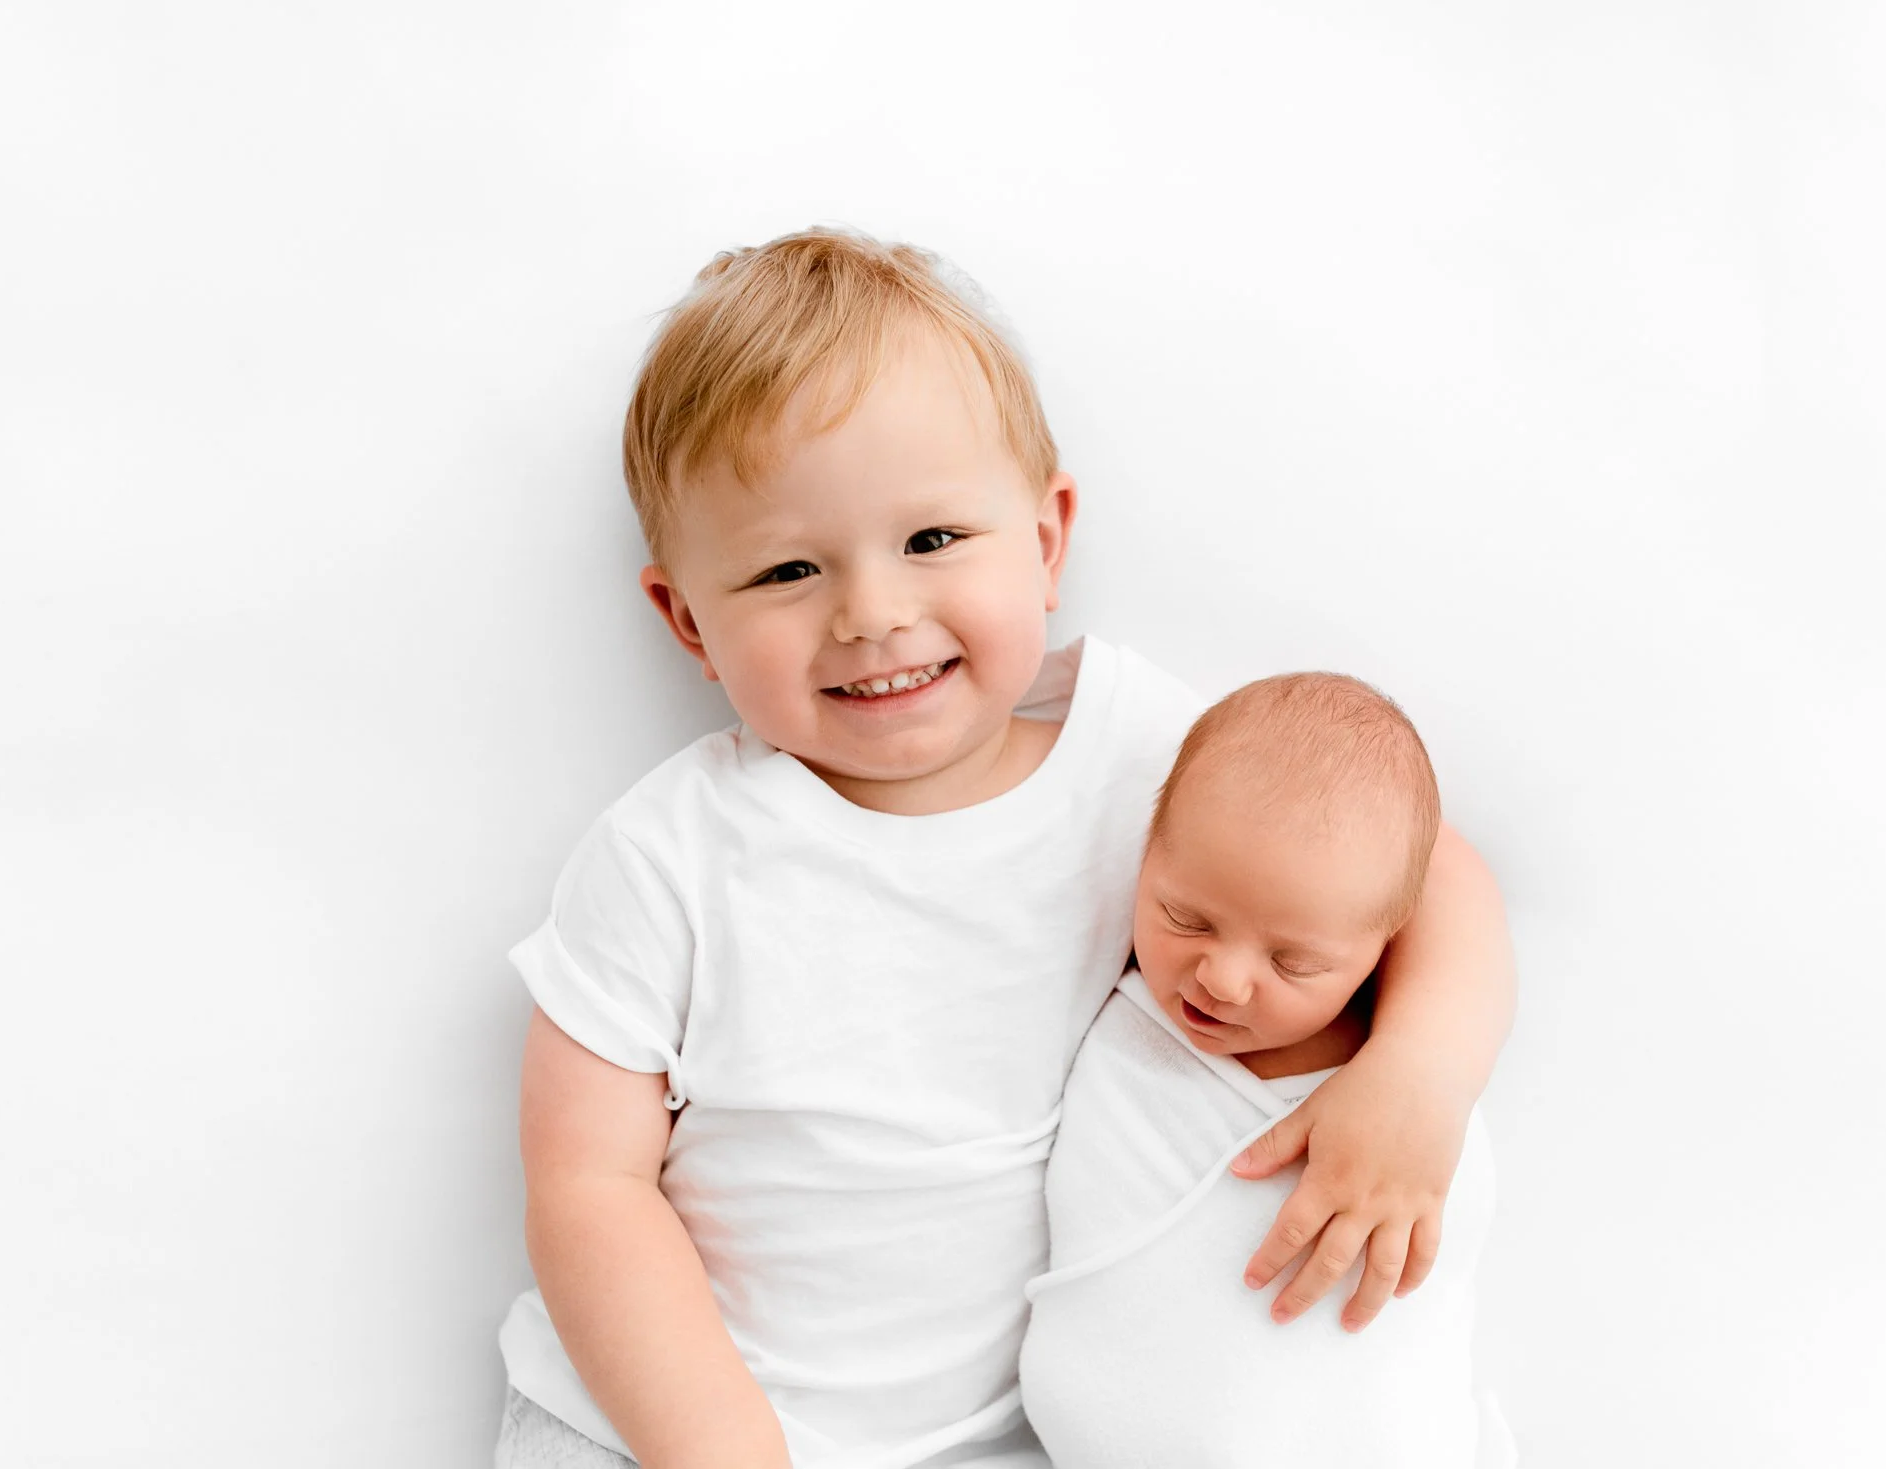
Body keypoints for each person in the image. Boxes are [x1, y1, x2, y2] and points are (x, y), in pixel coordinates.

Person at [494, 228, 1516, 1468]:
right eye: (786, 568)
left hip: (1007, 1436)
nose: (871, 612)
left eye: (930, 541)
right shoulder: (672, 850)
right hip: (659, 1428)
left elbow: (1423, 866)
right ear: (687, 619)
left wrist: (1419, 1070)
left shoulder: (1141, 758)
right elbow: (588, 1185)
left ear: (1044, 541)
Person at [1020, 673, 1514, 1468]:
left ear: (1381, 949)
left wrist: (1421, 1075)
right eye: (1186, 917)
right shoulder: (1122, 957)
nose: (1220, 980)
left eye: (1296, 962)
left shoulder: (1393, 1045)